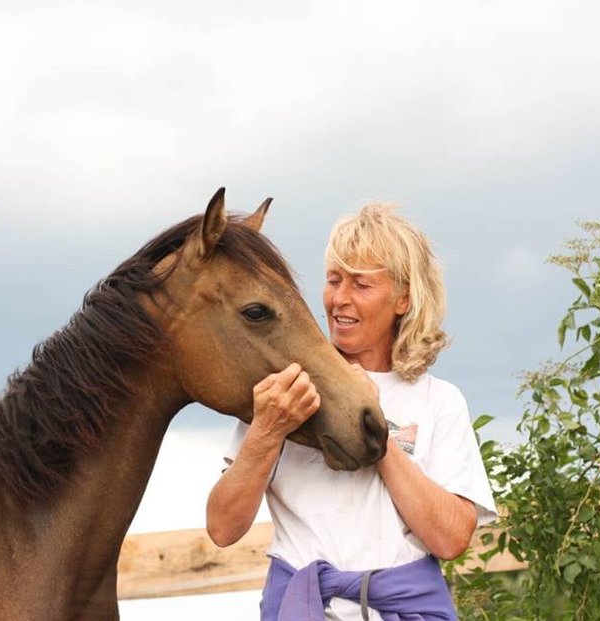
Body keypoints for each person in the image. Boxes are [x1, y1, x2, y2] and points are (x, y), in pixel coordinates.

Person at [206, 203, 497, 620]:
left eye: (361, 285)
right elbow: (222, 529)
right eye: (333, 280)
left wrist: (375, 431)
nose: (339, 299)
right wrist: (267, 430)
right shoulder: (284, 390)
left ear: (403, 299)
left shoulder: (440, 401)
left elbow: (450, 540)